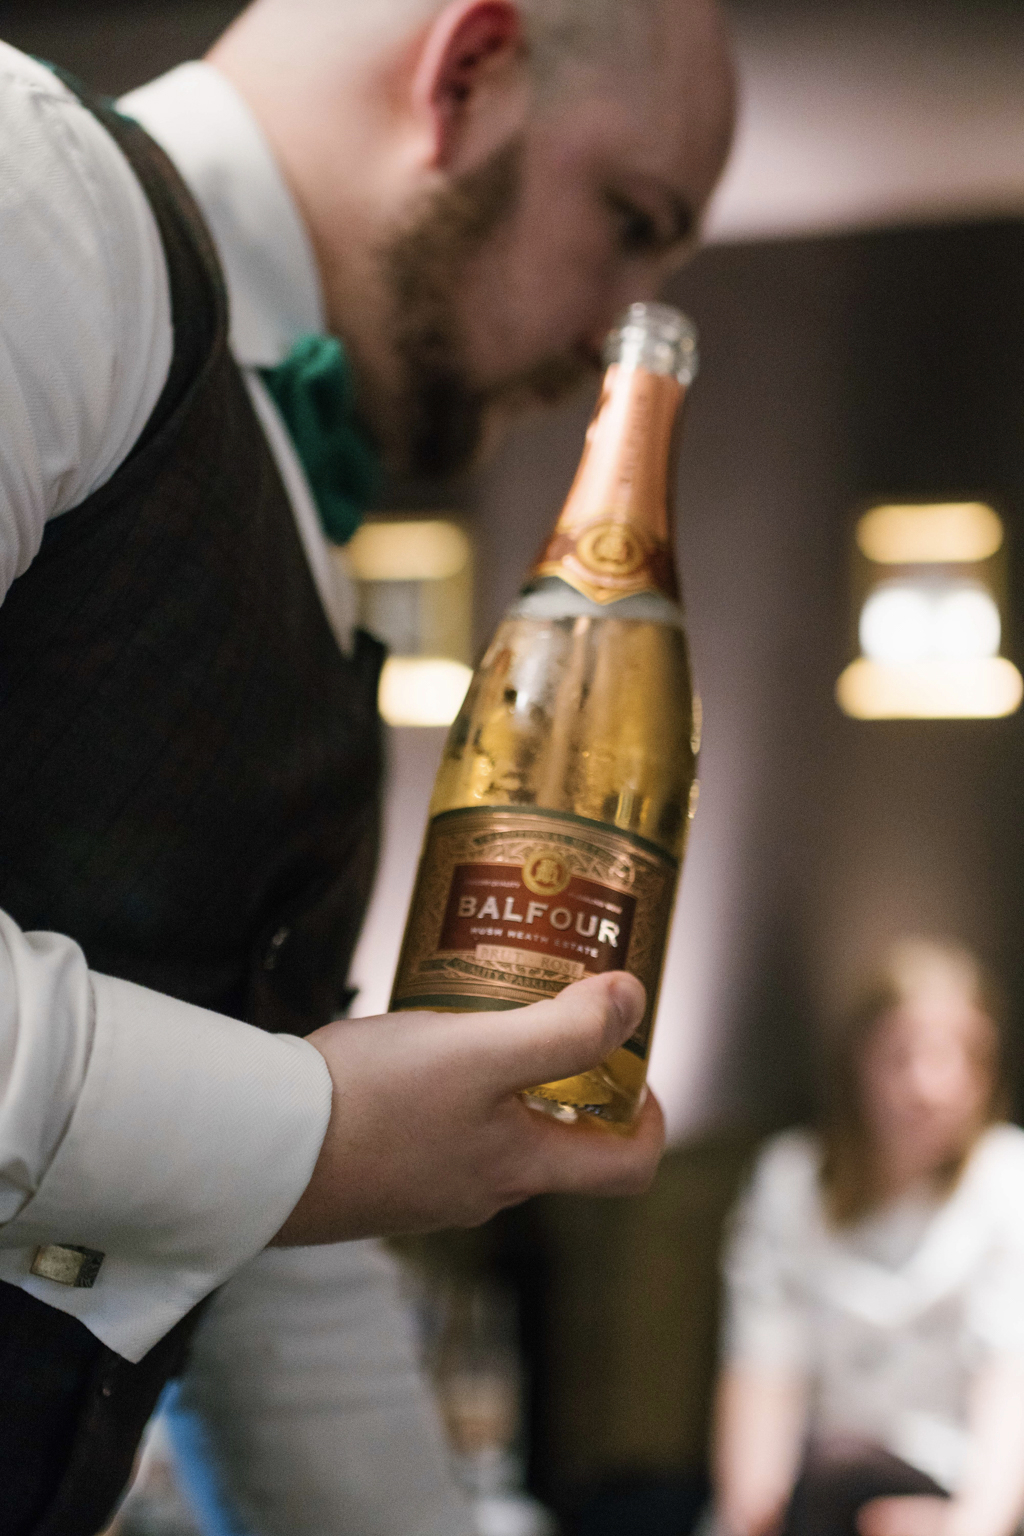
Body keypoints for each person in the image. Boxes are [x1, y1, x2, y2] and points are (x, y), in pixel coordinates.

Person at [0, 2, 735, 1532]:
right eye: (630, 220)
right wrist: (312, 1133)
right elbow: (274, 1148)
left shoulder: (279, 501)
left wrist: (314, 1144)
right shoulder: (32, 194)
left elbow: (267, 1286)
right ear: (466, 72)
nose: (620, 325)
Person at [711, 940, 1024, 1536]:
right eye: (901, 1056)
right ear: (858, 1061)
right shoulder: (792, 1181)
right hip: (819, 1489)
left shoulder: (1009, 1180)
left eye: (957, 1057)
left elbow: (1012, 1380)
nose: (927, 1086)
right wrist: (754, 1515)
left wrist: (973, 1527)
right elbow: (763, 1366)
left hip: (957, 1490)